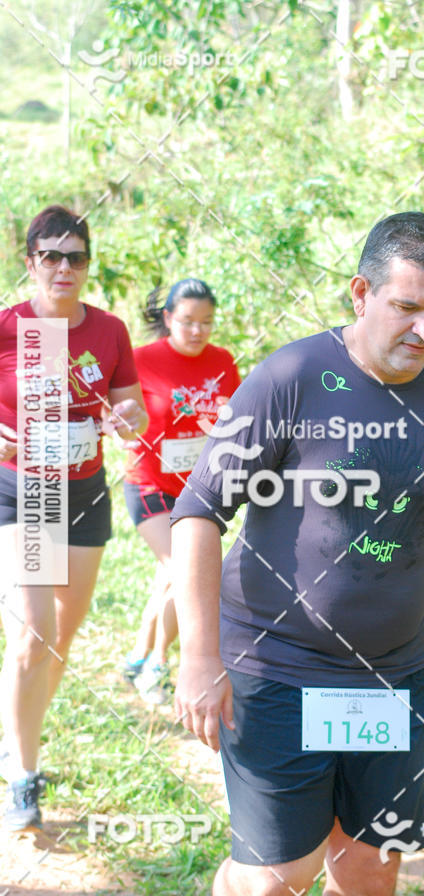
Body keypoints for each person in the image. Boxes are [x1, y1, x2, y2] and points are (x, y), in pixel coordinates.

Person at [171, 211, 424, 896]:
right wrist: (198, 656)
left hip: (392, 675)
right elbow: (199, 514)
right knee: (275, 876)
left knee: (371, 865)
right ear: (361, 293)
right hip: (279, 665)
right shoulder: (291, 376)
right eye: (408, 307)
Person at [0, 205, 147, 830]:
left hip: (84, 492)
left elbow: (130, 402)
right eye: (52, 256)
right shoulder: (8, 326)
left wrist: (126, 419)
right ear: (31, 261)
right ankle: (23, 774)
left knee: (60, 636)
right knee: (32, 633)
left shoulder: (109, 330)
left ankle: (20, 732)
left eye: (77, 257)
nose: (65, 267)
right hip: (25, 494)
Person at [121, 278, 240, 705]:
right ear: (168, 318)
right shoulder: (139, 360)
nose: (197, 331)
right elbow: (116, 413)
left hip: (198, 491)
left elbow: (231, 419)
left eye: (206, 322)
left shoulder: (223, 360)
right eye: (188, 321)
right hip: (149, 484)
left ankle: (138, 656)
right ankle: (157, 664)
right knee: (185, 573)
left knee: (168, 579)